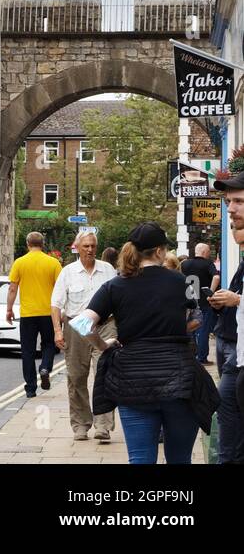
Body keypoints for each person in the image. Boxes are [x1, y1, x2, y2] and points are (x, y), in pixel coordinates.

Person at [82, 222, 219, 465]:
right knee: (180, 459)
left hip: (133, 380)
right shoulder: (184, 282)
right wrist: (176, 327)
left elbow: (81, 324)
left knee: (140, 459)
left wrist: (103, 345)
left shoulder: (114, 285)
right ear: (158, 252)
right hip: (179, 378)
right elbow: (198, 318)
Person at [49, 231, 116, 441]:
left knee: (104, 375)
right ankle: (80, 425)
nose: (90, 250)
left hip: (104, 326)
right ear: (77, 248)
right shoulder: (67, 272)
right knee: (76, 377)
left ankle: (103, 426)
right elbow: (56, 304)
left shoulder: (108, 270)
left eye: (93, 246)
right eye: (85, 246)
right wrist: (58, 331)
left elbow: (118, 299)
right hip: (76, 327)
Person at [209, 171, 244, 464]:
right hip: (239, 359)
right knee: (228, 430)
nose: (230, 208)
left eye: (239, 201)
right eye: (229, 201)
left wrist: (237, 300)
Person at [6, 232, 62, 398]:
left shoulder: (20, 262)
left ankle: (30, 388)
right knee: (49, 344)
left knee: (28, 350)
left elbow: (12, 289)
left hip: (28, 313)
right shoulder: (53, 263)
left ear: (27, 244)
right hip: (48, 312)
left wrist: (9, 309)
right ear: (43, 244)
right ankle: (45, 367)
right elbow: (60, 289)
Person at [181, 241, 219, 367]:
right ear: (204, 252)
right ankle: (202, 358)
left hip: (188, 301)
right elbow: (216, 277)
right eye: (208, 252)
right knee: (203, 330)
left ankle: (189, 355)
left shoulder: (185, 264)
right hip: (203, 302)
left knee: (189, 329)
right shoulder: (208, 263)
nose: (209, 254)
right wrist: (211, 293)